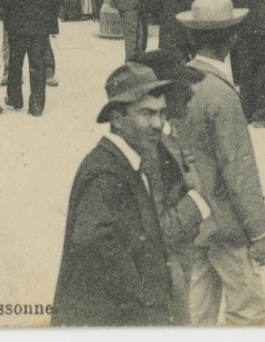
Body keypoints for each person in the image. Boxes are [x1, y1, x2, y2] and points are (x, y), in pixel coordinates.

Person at [51, 65, 206, 327]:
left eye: (161, 114)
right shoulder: (106, 173)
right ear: (118, 119)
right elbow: (94, 245)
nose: (158, 124)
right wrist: (143, 303)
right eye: (146, 114)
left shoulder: (127, 163)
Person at [174, 0, 265, 325]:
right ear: (232, 37)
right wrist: (257, 231)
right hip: (225, 223)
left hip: (190, 215)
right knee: (249, 311)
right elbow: (239, 170)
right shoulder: (222, 94)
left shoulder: (180, 82)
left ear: (191, 36)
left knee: (195, 311)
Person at [4, 0, 63, 117]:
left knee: (16, 61)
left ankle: (15, 98)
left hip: (18, 24)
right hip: (41, 26)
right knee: (38, 64)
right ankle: (37, 105)